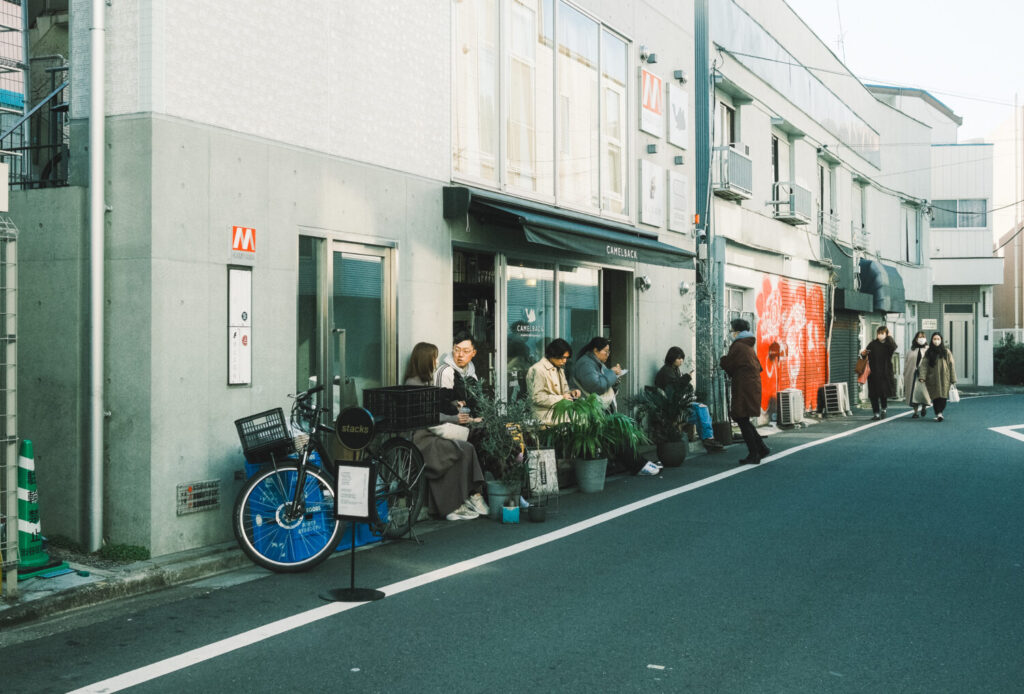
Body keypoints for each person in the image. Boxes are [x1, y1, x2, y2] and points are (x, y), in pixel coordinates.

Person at [405, 342, 489, 521]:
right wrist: (454, 418)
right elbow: (426, 417)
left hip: (429, 434)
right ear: (425, 360)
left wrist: (452, 406)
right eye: (434, 358)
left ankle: (467, 497)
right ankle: (457, 502)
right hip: (423, 438)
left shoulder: (422, 381)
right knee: (463, 449)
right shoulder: (415, 383)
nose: (436, 362)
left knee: (465, 448)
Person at [719, 318, 770, 464]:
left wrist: (723, 360)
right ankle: (761, 448)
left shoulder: (738, 346)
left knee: (741, 418)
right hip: (750, 387)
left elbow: (729, 365)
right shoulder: (748, 346)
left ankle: (754, 454)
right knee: (743, 419)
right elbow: (758, 367)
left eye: (732, 330)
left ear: (738, 331)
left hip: (744, 387)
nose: (731, 333)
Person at [655, 346, 722, 453]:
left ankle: (708, 439)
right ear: (672, 358)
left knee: (702, 411)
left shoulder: (674, 369)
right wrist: (687, 378)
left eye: (682, 358)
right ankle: (708, 439)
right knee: (702, 410)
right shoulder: (666, 371)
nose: (681, 360)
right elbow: (674, 389)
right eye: (678, 358)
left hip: (679, 405)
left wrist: (687, 381)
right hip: (673, 408)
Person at [526, 338, 581, 425]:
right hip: (544, 416)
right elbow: (537, 398)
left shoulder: (559, 368)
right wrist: (561, 398)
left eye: (566, 358)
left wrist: (571, 393)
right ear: (553, 354)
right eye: (562, 358)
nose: (564, 361)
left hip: (558, 414)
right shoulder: (538, 370)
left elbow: (563, 392)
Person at [434, 331, 480, 417]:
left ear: (474, 353)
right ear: (452, 349)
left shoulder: (472, 373)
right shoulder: (446, 371)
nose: (460, 355)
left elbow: (477, 401)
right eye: (457, 350)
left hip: (472, 423)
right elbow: (441, 407)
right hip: (454, 425)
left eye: (466, 351)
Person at [571, 336, 623, 411]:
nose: (608, 354)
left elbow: (605, 382)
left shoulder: (597, 363)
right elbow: (596, 387)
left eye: (609, 352)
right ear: (596, 350)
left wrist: (616, 377)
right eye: (606, 351)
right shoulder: (586, 364)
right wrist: (612, 373)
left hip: (597, 408)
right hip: (591, 410)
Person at [917, 332, 957, 422]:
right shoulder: (929, 352)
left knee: (943, 396)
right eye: (934, 339)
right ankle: (938, 413)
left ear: (941, 340)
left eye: (938, 339)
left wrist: (953, 379)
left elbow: (951, 365)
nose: (936, 341)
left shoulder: (946, 351)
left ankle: (940, 412)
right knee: (935, 396)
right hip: (932, 378)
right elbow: (924, 365)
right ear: (932, 340)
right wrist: (922, 376)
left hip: (944, 377)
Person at [860, 325, 897, 420]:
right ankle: (876, 413)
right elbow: (865, 354)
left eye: (882, 333)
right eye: (879, 333)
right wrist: (863, 354)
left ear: (886, 334)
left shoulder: (888, 345)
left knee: (883, 393)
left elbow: (893, 347)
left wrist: (889, 337)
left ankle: (884, 408)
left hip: (885, 372)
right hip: (873, 372)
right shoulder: (873, 344)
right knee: (873, 394)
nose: (880, 335)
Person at [903, 330, 931, 418]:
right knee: (913, 393)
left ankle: (924, 407)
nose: (921, 339)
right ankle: (915, 412)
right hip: (913, 375)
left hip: (924, 375)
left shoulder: (928, 349)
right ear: (916, 339)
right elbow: (907, 362)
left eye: (923, 337)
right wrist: (906, 373)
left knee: (924, 392)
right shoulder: (911, 350)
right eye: (919, 337)